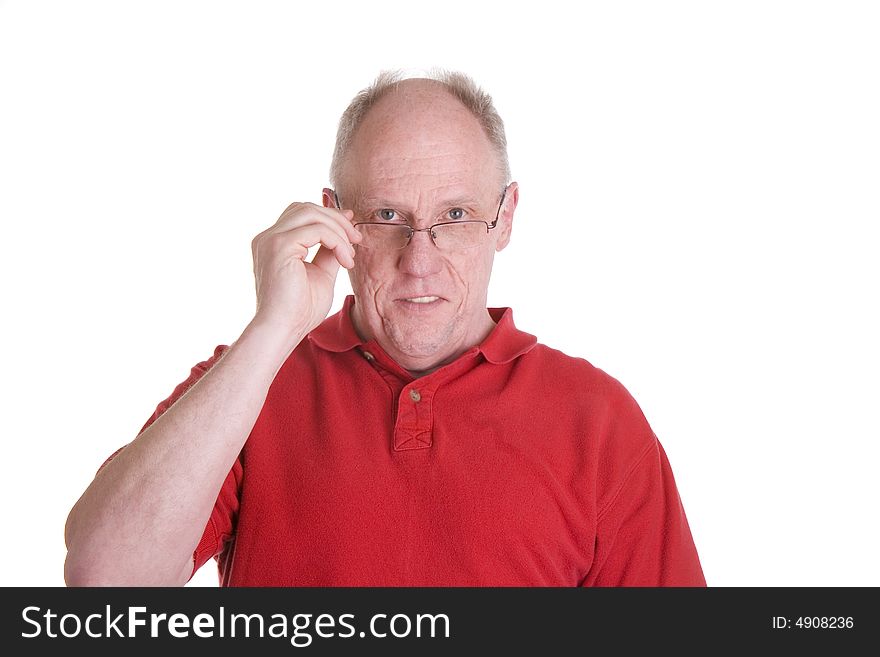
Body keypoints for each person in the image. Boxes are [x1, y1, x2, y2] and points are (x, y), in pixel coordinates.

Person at [64, 69, 706, 587]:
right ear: (334, 220)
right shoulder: (250, 385)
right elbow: (104, 587)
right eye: (385, 214)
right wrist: (272, 329)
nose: (418, 259)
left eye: (455, 214)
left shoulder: (598, 420)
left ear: (505, 218)